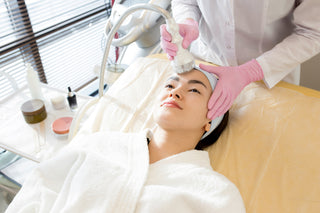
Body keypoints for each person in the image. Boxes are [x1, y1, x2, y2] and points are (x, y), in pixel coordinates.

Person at [5, 68, 245, 213]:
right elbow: (39, 189)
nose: (175, 92)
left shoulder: (216, 194)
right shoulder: (99, 145)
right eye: (170, 84)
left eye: (195, 90)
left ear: (209, 121)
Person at [160, 0, 320, 120]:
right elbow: (184, 1)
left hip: (271, 71)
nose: (174, 94)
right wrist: (187, 21)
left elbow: (314, 32)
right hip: (207, 59)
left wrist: (251, 71)